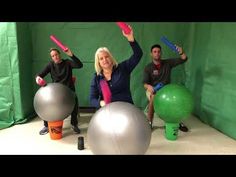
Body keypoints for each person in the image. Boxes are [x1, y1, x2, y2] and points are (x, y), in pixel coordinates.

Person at [90, 26, 143, 109]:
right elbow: (92, 99)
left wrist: (130, 38)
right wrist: (101, 102)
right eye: (101, 58)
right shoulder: (96, 78)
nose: (105, 60)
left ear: (111, 58)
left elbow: (138, 55)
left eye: (106, 56)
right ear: (98, 62)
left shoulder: (123, 68)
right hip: (107, 111)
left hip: (126, 109)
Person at [35, 47, 83, 135]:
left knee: (75, 101)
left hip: (68, 91)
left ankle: (74, 124)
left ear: (59, 54)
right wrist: (38, 78)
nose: (55, 57)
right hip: (56, 93)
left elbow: (79, 65)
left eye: (56, 54)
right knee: (47, 104)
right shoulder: (51, 65)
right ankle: (46, 125)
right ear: (51, 58)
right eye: (53, 56)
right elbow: (39, 74)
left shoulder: (67, 63)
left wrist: (71, 55)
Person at [143, 44, 189, 132]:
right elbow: (144, 83)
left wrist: (181, 52)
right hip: (153, 91)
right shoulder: (148, 68)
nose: (157, 53)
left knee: (174, 99)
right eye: (155, 52)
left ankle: (177, 122)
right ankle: (149, 122)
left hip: (167, 91)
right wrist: (149, 86)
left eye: (159, 52)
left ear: (161, 53)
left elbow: (184, 59)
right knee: (153, 97)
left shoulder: (168, 63)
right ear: (151, 54)